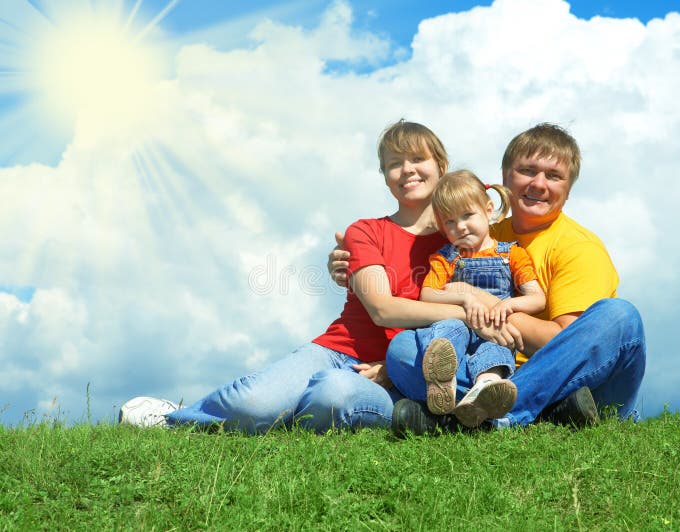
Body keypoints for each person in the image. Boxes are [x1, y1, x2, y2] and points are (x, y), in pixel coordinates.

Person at [119, 119, 477, 434]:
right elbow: (382, 310)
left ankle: (288, 416)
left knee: (334, 396)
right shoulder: (365, 232)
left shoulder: (465, 240)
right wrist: (468, 311)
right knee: (256, 402)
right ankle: (178, 418)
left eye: (417, 159)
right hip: (338, 351)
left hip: (403, 371)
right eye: (394, 164)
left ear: (441, 166)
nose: (407, 170)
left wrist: (398, 369)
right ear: (384, 177)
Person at [330, 123, 646, 435]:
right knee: (402, 351)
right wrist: (346, 266)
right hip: (487, 371)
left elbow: (565, 345)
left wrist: (485, 306)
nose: (538, 184)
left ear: (569, 186)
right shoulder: (479, 234)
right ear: (504, 178)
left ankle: (497, 414)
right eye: (527, 171)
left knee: (620, 317)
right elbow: (416, 262)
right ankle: (524, 412)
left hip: (573, 380)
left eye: (553, 176)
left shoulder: (577, 247)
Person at [412, 169, 545, 427]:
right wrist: (464, 298)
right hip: (460, 322)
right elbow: (427, 294)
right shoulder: (447, 257)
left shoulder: (511, 254)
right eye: (449, 222)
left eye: (467, 215)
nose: (459, 227)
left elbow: (537, 298)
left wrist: (508, 304)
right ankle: (443, 382)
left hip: (495, 327)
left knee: (495, 349)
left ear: (488, 209)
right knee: (448, 330)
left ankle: (485, 392)